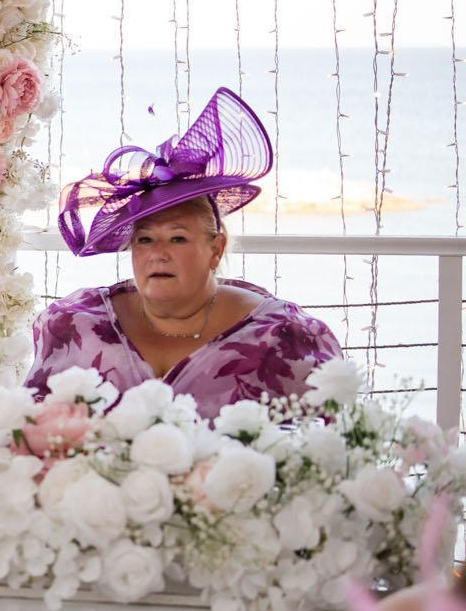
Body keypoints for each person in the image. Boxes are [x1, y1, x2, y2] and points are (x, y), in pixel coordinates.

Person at [27, 87, 341, 417]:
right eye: (144, 240)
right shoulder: (77, 325)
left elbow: (329, 447)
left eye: (177, 239)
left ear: (215, 249)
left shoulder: (283, 337)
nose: (157, 254)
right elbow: (29, 432)